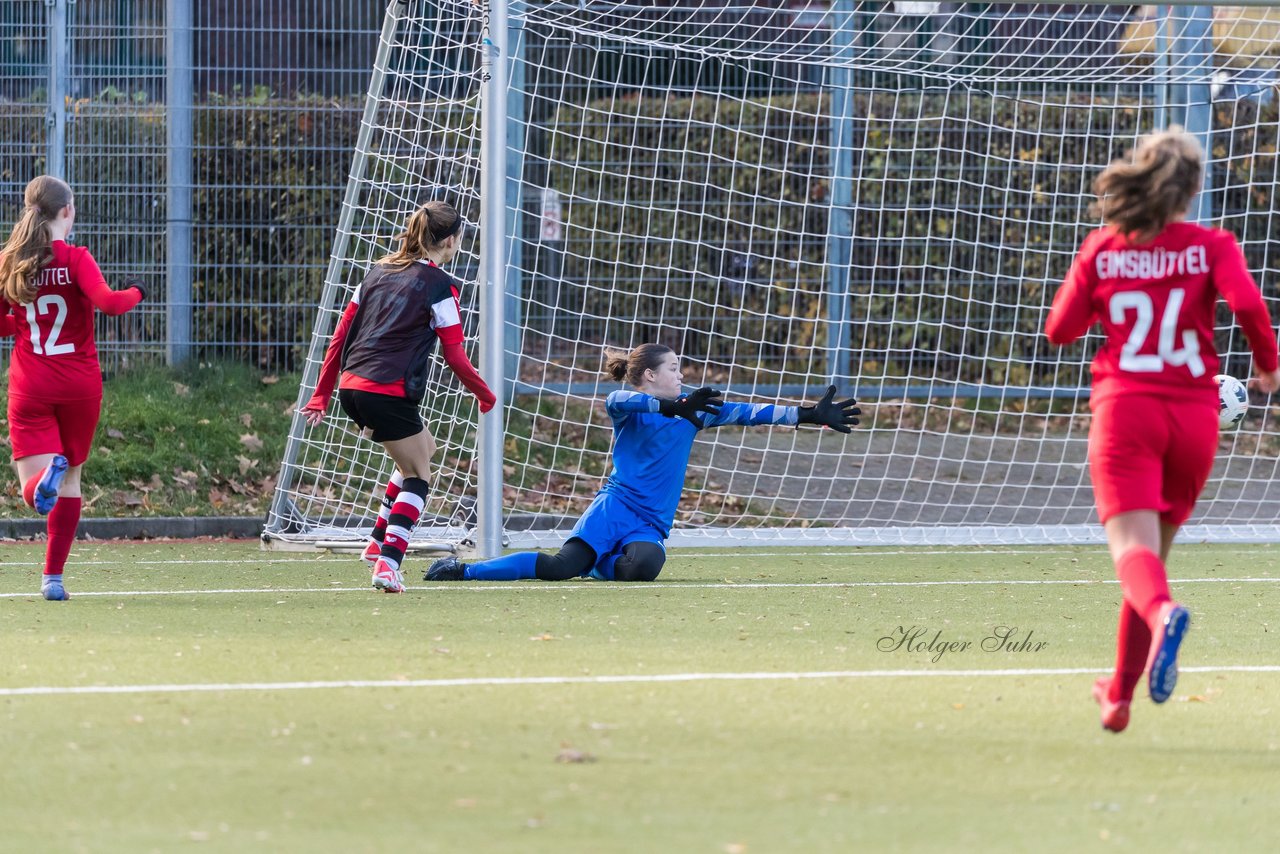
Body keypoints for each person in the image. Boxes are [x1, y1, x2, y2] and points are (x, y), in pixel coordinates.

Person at [1046, 127, 1280, 733]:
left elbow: (1059, 330)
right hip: (1195, 418)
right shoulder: (1213, 245)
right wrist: (1268, 367)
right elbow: (1250, 308)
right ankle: (1118, 697)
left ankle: (1166, 612)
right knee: (1150, 557)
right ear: (1192, 189)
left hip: (1129, 412)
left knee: (1132, 556)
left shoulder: (1104, 246)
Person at [424, 343, 859, 583]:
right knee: (559, 569)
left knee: (646, 566)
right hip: (614, 508)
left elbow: (753, 412)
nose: (681, 375)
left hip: (650, 522)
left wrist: (808, 415)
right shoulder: (630, 406)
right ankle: (464, 570)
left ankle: (601, 563)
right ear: (650, 375)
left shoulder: (694, 409)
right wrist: (668, 407)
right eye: (673, 368)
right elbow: (619, 398)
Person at [300, 200, 496, 594]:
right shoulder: (441, 286)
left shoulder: (375, 273)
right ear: (452, 239)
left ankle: (376, 541)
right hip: (386, 392)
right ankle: (389, 563)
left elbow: (339, 338)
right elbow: (455, 355)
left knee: (426, 447)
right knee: (418, 477)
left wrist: (322, 394)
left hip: (352, 388)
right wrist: (485, 394)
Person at [0, 175, 145, 601]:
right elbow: (110, 304)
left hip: (31, 384)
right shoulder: (77, 258)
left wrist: (23, 323)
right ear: (67, 212)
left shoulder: (10, 260)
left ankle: (41, 481)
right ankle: (53, 578)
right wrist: (137, 290)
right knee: (72, 481)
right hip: (81, 386)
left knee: (36, 488)